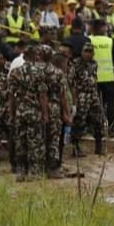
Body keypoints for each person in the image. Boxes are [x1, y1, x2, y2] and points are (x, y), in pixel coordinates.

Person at [9, 44, 48, 182]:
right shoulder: (38, 72)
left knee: (20, 141)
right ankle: (34, 171)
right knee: (35, 141)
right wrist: (45, 114)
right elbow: (42, 95)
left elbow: (11, 96)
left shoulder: (15, 72)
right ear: (33, 56)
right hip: (34, 111)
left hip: (20, 111)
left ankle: (21, 171)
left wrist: (12, 113)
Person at [69, 41, 105, 157]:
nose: (88, 54)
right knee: (79, 121)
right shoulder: (75, 64)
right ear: (81, 52)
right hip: (81, 95)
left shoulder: (94, 64)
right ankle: (76, 147)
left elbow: (94, 80)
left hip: (93, 94)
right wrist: (74, 102)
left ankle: (99, 146)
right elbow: (72, 84)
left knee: (98, 120)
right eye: (86, 51)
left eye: (91, 51)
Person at [44, 49, 70, 178]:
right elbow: (63, 96)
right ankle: (53, 168)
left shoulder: (42, 71)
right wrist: (66, 113)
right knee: (55, 139)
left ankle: (41, 165)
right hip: (54, 108)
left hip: (40, 108)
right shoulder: (59, 74)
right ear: (61, 63)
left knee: (43, 138)